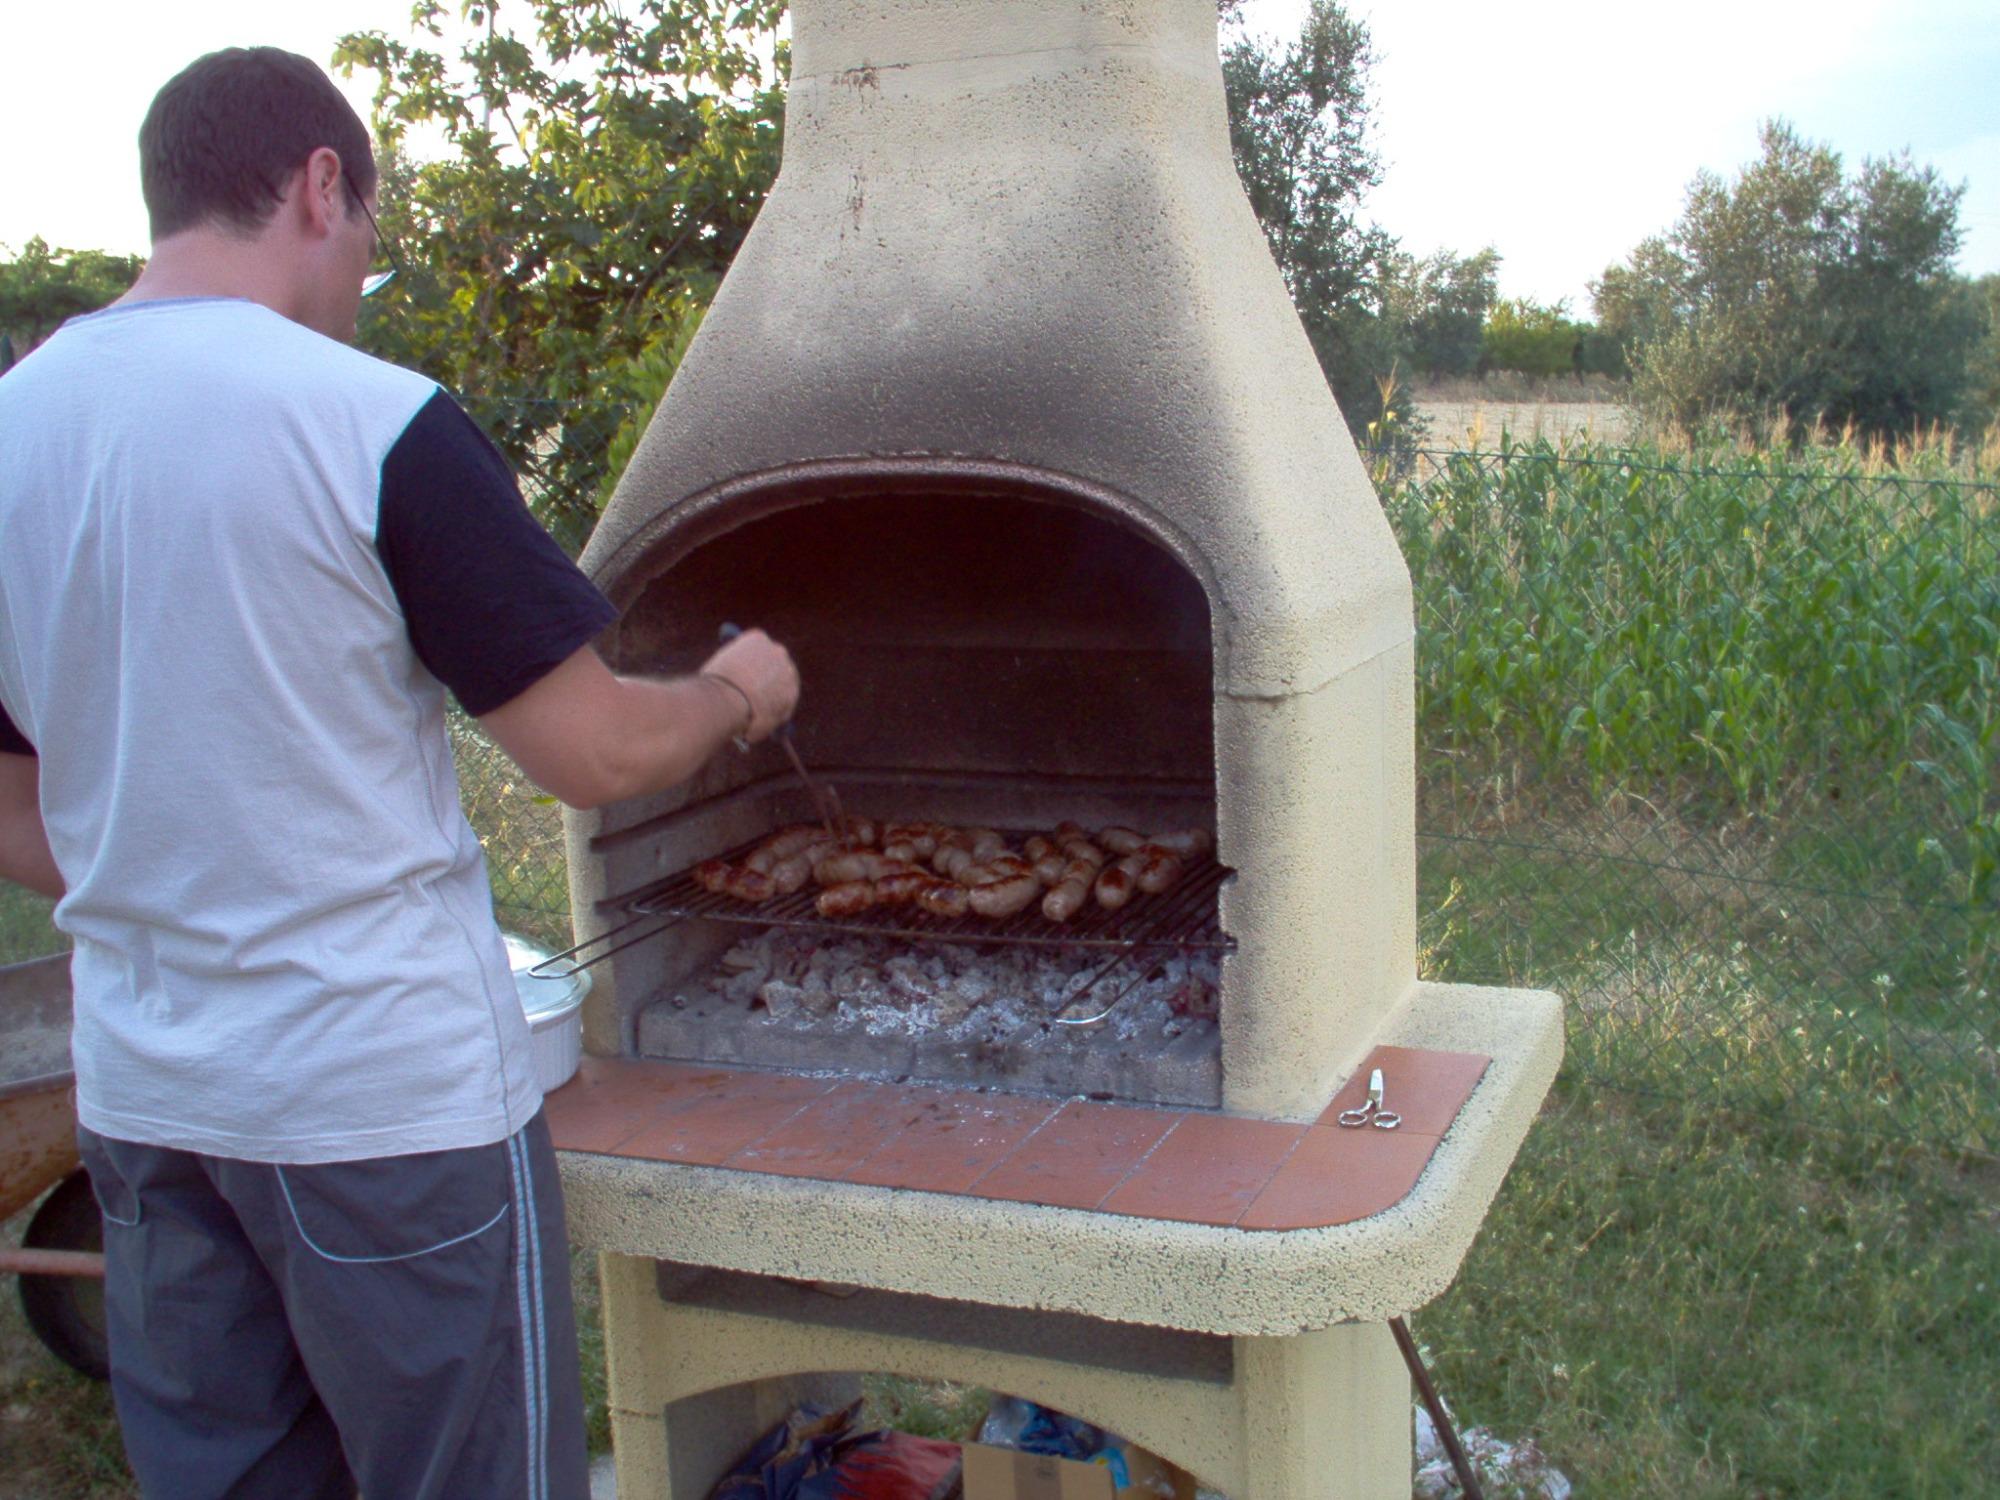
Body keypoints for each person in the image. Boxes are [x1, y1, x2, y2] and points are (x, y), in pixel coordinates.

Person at [0, 45, 798, 1500]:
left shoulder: (11, 435)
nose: (362, 268)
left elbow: (10, 803)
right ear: (320, 185)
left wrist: (175, 859)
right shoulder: (369, 422)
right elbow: (597, 751)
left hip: (150, 1102)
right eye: (366, 229)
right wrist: (740, 693)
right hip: (383, 1110)